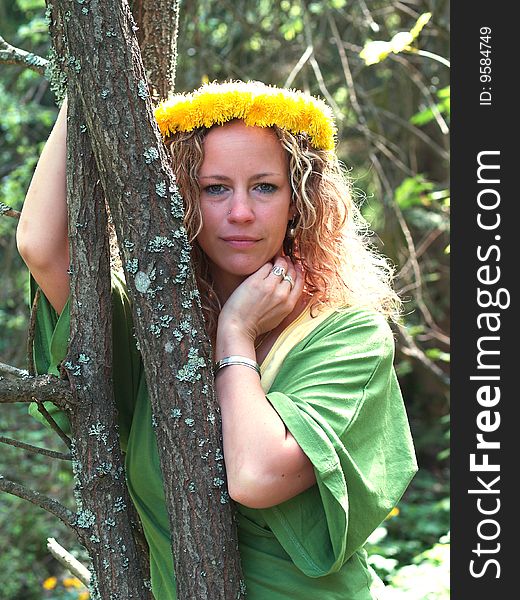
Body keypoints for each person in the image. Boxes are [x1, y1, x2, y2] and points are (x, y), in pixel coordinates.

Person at [17, 80, 417, 599]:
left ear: (299, 200)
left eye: (265, 187)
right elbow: (42, 247)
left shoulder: (347, 335)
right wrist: (91, 64)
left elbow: (254, 476)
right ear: (184, 196)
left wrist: (235, 333)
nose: (242, 213)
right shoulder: (157, 334)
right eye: (215, 188)